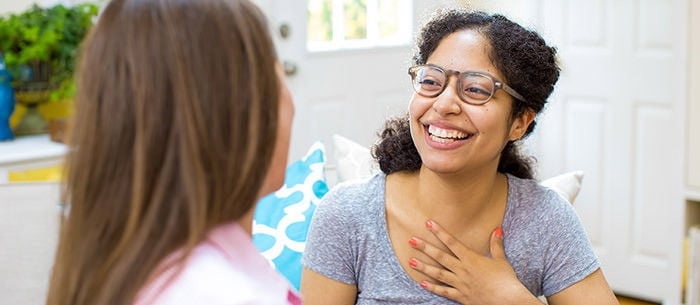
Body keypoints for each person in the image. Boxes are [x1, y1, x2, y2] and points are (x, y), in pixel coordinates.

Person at [301, 8, 620, 305]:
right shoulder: (346, 216)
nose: (444, 104)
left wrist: (513, 300)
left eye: (477, 90)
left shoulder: (546, 220)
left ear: (520, 122)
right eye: (431, 81)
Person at [45, 0, 299, 304]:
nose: (289, 101)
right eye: (277, 74)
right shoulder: (220, 294)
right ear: (234, 118)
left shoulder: (116, 265)